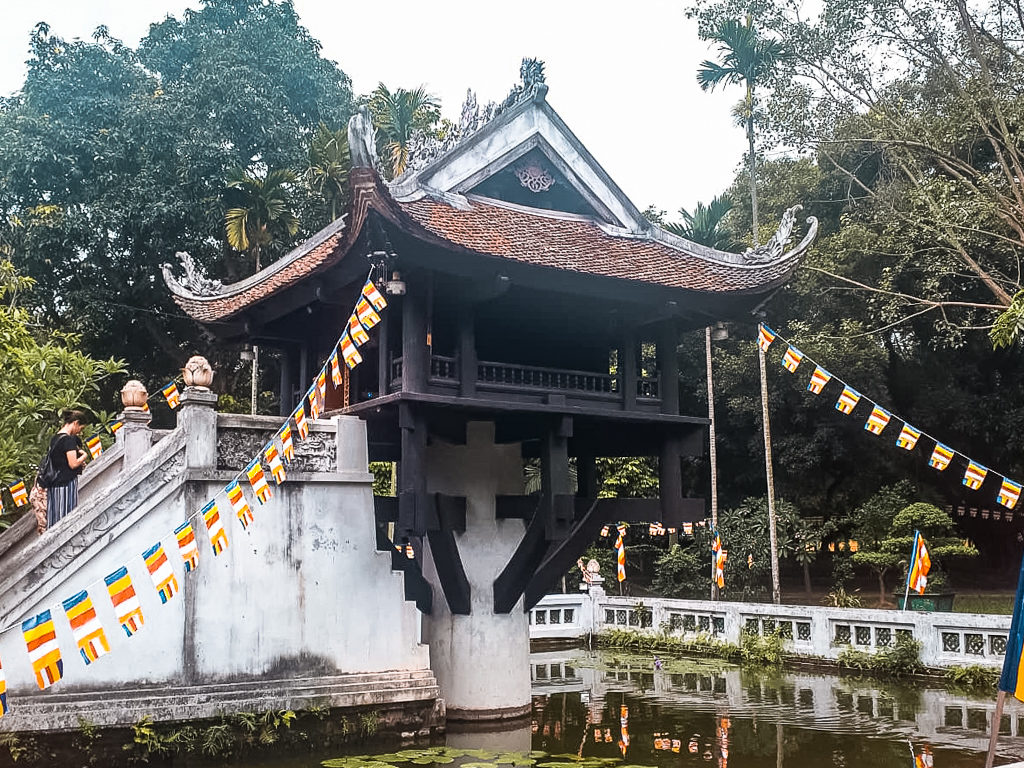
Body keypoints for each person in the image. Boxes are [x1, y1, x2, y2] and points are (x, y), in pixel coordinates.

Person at [44, 409, 88, 528]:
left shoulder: (55, 438)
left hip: (53, 485)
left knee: (54, 520)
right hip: (66, 484)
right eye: (81, 428)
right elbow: (73, 464)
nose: (79, 432)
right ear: (75, 423)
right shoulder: (68, 440)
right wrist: (84, 456)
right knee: (66, 519)